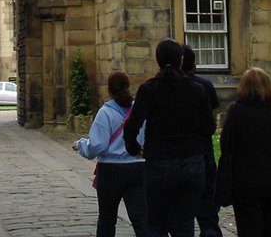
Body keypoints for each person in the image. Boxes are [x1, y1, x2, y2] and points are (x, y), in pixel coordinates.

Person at [124, 38, 215, 237]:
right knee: (184, 224)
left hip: (159, 163)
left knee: (156, 224)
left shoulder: (149, 89)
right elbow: (209, 127)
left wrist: (134, 149)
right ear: (181, 60)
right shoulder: (197, 89)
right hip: (191, 163)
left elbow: (131, 127)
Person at [217, 67, 271, 237]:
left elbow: (226, 146)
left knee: (248, 229)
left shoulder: (236, 112)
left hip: (244, 181)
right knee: (270, 227)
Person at [73, 70, 149, 237]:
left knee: (107, 220)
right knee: (142, 220)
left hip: (111, 170)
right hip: (138, 168)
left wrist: (80, 145)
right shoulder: (139, 110)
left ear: (109, 90)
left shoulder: (105, 112)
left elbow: (97, 145)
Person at [181, 45, 222, 237]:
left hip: (177, 150)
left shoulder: (164, 86)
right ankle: (209, 229)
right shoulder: (206, 86)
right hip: (202, 146)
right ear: (193, 64)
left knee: (180, 199)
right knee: (206, 193)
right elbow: (212, 121)